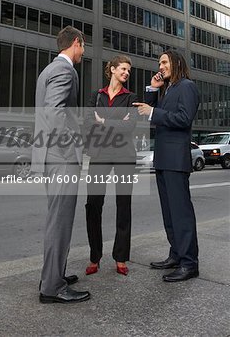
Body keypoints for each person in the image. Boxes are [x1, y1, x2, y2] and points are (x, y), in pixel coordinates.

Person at [31, 26, 90, 303]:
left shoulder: (47, 70)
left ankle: (53, 275)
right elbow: (55, 114)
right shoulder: (65, 71)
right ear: (76, 43)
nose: (83, 53)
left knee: (57, 220)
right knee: (60, 222)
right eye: (83, 47)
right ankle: (52, 287)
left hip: (48, 156)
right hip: (61, 159)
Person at [133, 50, 200, 282]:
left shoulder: (187, 86)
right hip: (163, 158)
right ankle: (176, 254)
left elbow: (183, 119)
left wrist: (153, 111)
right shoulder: (168, 88)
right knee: (169, 213)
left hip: (176, 159)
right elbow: (149, 117)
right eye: (159, 62)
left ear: (176, 63)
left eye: (163, 62)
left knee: (181, 213)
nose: (160, 66)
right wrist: (152, 90)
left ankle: (189, 263)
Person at [84, 55, 138, 276]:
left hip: (124, 155)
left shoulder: (131, 97)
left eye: (129, 70)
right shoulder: (97, 96)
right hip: (99, 154)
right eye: (123, 69)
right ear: (113, 69)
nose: (126, 73)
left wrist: (104, 122)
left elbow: (130, 126)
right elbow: (88, 123)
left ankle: (121, 258)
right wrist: (116, 124)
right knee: (93, 204)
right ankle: (95, 256)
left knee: (123, 205)